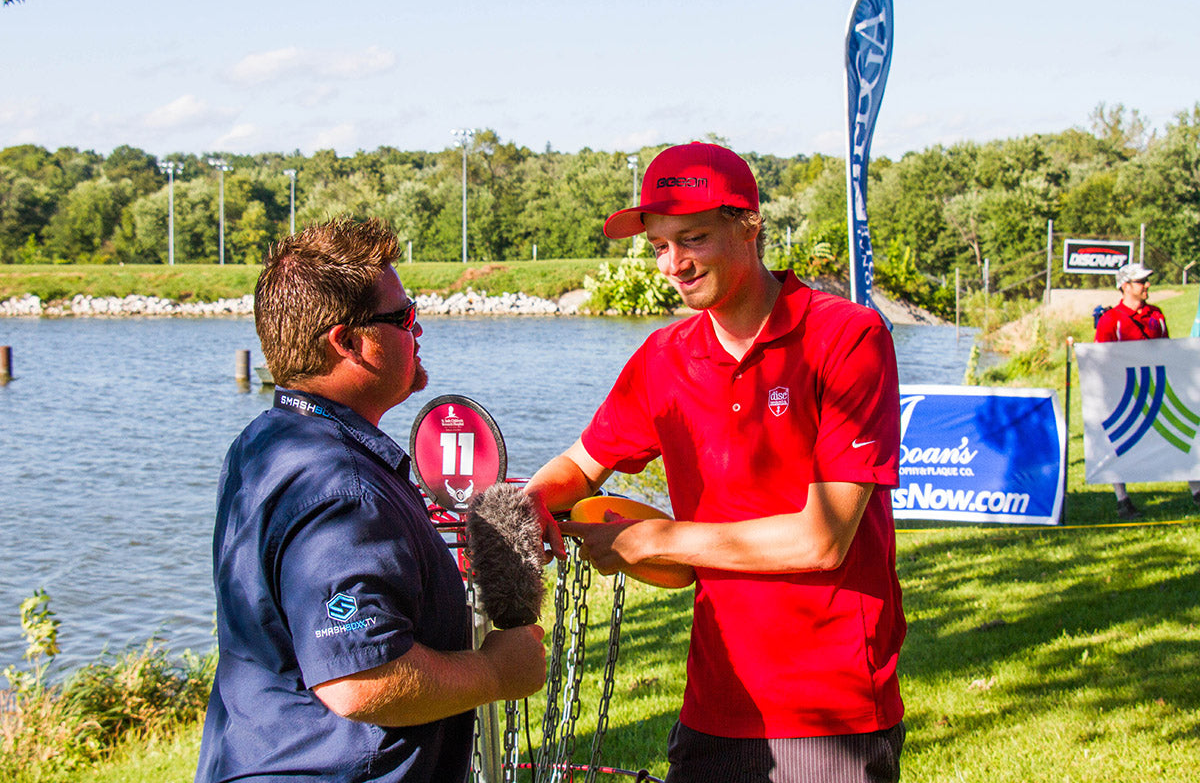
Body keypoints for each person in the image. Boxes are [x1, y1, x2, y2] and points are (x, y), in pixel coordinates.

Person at [526, 143, 906, 783]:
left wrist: (654, 541)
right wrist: (515, 511)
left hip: (830, 706)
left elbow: (823, 539)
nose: (673, 263)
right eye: (658, 246)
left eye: (693, 238)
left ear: (750, 225)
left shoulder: (847, 336)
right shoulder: (663, 356)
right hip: (715, 698)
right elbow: (582, 464)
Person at [196, 219, 546, 783]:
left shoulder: (265, 440)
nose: (419, 329)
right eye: (403, 317)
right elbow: (361, 680)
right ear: (349, 342)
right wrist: (496, 673)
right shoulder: (342, 485)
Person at [1093, 261, 1200, 517]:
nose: (1147, 285)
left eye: (1146, 280)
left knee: (1182, 432)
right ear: (1125, 286)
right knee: (1117, 442)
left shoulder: (1157, 315)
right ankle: (1123, 499)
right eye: (1141, 281)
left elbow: (1167, 350)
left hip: (1159, 388)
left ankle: (1196, 490)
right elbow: (1100, 360)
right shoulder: (1111, 320)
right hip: (1124, 392)